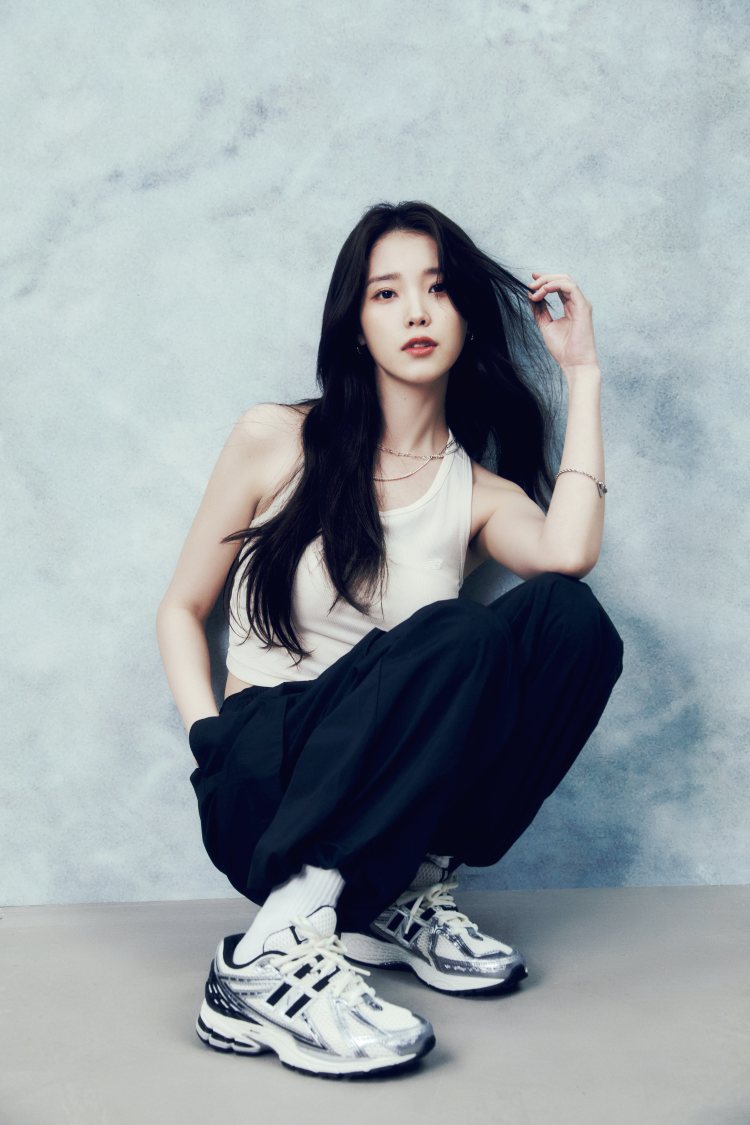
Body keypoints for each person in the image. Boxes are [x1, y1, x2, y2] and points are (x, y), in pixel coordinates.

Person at [156, 199, 624, 1079]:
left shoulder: (476, 492)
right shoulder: (276, 438)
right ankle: (265, 957)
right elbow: (181, 608)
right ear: (356, 323)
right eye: (386, 293)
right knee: (458, 633)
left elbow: (570, 552)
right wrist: (208, 740)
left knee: (571, 620)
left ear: (466, 317)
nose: (415, 311)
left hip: (387, 798)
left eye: (438, 289)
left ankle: (399, 889)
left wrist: (583, 373)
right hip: (268, 773)